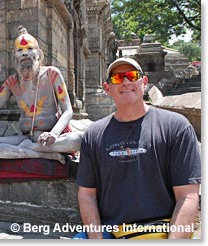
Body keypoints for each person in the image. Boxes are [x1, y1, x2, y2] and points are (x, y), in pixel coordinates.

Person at [74, 57, 201, 239]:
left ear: (144, 83)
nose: (126, 82)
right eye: (117, 78)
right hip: (112, 231)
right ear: (107, 88)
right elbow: (87, 195)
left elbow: (188, 196)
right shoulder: (94, 135)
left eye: (132, 76)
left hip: (162, 227)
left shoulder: (176, 127)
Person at [0, 26, 83, 164]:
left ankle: (29, 150)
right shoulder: (12, 82)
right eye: (20, 50)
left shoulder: (52, 74)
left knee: (80, 139)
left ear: (38, 54)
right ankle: (40, 154)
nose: (25, 53)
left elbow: (68, 111)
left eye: (30, 49)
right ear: (15, 56)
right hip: (25, 138)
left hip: (51, 139)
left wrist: (54, 134)